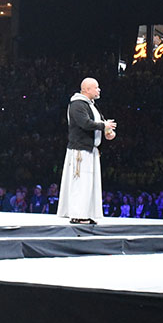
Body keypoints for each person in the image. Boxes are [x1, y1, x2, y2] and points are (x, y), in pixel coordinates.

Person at [57, 77, 116, 224]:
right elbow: (85, 123)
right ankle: (78, 214)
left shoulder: (91, 105)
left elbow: (100, 122)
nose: (99, 90)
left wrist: (108, 132)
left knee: (89, 183)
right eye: (96, 87)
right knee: (81, 182)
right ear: (87, 89)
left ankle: (86, 213)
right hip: (80, 150)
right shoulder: (77, 104)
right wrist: (104, 126)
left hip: (91, 150)